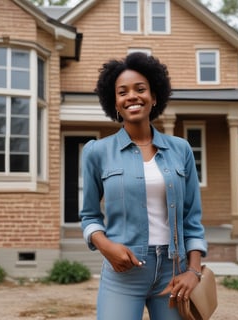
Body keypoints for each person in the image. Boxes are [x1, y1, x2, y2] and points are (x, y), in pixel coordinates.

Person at [79, 52, 207, 320]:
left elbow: (192, 219)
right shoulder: (97, 152)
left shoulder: (180, 150)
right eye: (122, 92)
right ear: (114, 102)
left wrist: (193, 271)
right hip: (123, 273)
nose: (132, 97)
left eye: (140, 89)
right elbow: (90, 216)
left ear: (154, 96)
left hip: (174, 273)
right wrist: (105, 246)